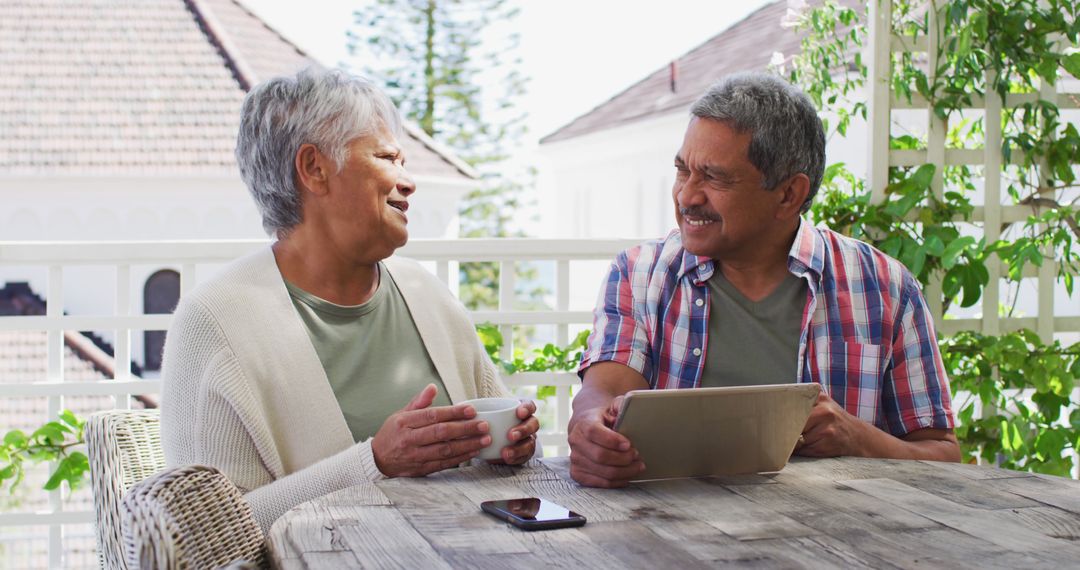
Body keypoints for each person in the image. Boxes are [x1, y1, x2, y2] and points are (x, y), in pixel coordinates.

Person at [161, 67, 538, 531]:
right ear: (314, 168)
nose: (409, 181)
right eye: (388, 158)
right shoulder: (214, 322)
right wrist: (375, 462)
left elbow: (498, 428)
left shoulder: (424, 292)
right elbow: (207, 534)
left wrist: (516, 443)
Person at [568, 72, 959, 488]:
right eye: (683, 171)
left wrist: (856, 437)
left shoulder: (885, 288)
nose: (687, 196)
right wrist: (592, 426)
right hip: (671, 533)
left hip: (840, 540)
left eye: (714, 178)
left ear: (789, 194)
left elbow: (943, 457)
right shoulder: (639, 274)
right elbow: (604, 391)